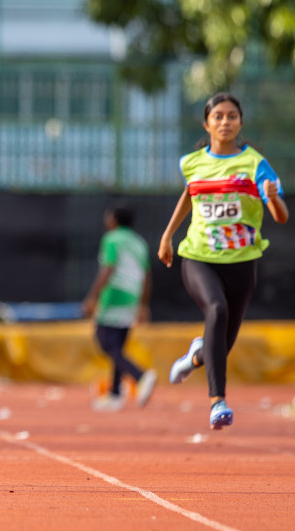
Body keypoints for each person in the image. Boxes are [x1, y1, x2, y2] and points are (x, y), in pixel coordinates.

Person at [157, 92, 287, 430]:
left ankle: (197, 356)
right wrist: (168, 236)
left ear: (241, 123)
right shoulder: (192, 162)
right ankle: (218, 403)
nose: (225, 122)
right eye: (218, 116)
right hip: (198, 256)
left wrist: (272, 198)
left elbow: (280, 216)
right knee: (216, 309)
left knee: (222, 346)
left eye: (231, 116)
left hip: (242, 262)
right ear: (207, 123)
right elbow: (189, 195)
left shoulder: (255, 164)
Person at [82, 205, 155, 410]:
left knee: (104, 341)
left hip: (114, 294)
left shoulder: (111, 238)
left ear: (113, 219)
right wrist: (143, 304)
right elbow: (147, 275)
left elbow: (108, 268)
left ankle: (140, 375)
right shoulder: (139, 243)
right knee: (118, 346)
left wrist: (92, 297)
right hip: (132, 296)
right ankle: (115, 394)